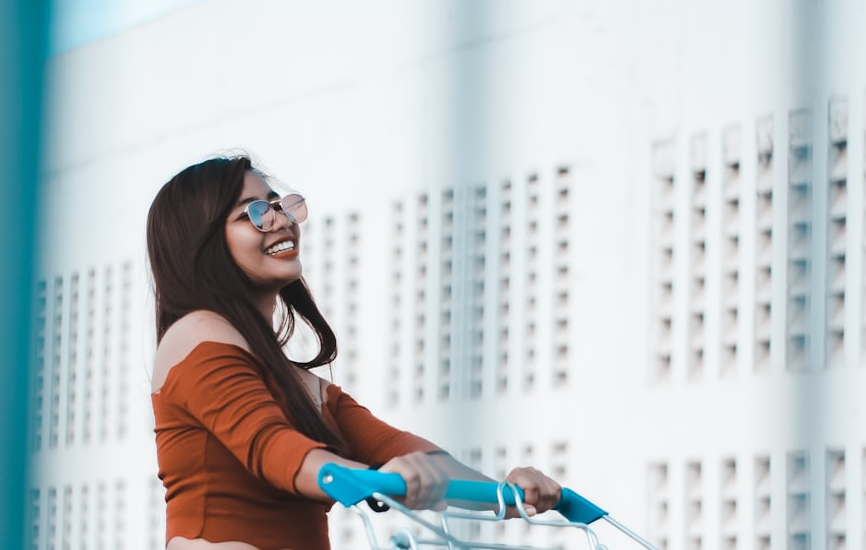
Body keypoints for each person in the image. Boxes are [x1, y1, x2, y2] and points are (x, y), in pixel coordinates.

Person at [146, 154, 562, 550]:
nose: (281, 221)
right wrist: (372, 480)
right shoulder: (196, 333)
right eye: (252, 214)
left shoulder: (309, 390)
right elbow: (269, 447)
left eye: (280, 206)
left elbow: (399, 447)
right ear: (200, 245)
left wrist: (507, 493)